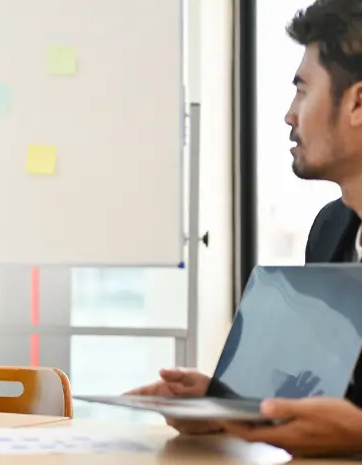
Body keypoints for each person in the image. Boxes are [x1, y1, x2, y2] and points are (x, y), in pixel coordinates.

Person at [127, 0, 362, 456]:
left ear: (357, 102)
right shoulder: (331, 231)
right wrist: (233, 406)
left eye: (303, 90)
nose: (290, 115)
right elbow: (338, 401)